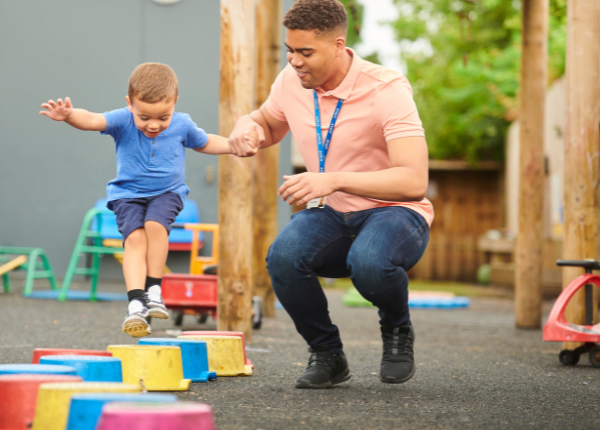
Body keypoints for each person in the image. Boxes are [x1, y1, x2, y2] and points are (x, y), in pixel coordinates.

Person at [228, 0, 434, 388]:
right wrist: (247, 125)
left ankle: (396, 329)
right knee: (284, 257)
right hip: (333, 214)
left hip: (395, 213)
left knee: (370, 261)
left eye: (306, 52)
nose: (295, 61)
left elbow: (413, 181)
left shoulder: (386, 89)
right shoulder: (290, 82)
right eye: (290, 51)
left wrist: (333, 179)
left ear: (339, 46)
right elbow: (268, 124)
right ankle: (327, 354)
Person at [40, 63, 257, 338]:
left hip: (167, 192)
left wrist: (233, 146)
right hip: (127, 195)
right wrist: (69, 115)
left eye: (162, 118)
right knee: (134, 240)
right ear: (130, 104)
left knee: (155, 226)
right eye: (145, 117)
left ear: (174, 103)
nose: (153, 125)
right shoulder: (122, 120)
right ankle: (135, 301)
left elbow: (205, 142)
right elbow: (93, 120)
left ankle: (154, 288)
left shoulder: (182, 123)